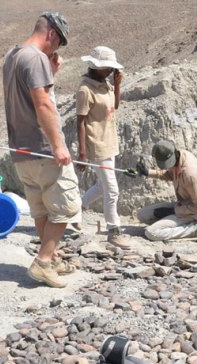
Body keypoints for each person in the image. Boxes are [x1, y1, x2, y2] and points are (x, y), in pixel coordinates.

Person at [3, 11, 80, 288]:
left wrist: (52, 71)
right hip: (43, 148)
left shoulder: (13, 55)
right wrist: (58, 145)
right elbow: (43, 104)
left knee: (41, 208)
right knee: (67, 206)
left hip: (21, 150)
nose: (56, 50)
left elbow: (27, 96)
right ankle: (43, 263)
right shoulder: (35, 59)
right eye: (58, 43)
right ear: (52, 35)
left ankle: (53, 256)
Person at [75, 46, 130, 249]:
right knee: (112, 190)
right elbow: (80, 121)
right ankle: (113, 231)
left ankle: (78, 207)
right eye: (107, 68)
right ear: (95, 67)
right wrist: (82, 152)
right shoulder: (85, 90)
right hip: (96, 144)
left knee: (102, 185)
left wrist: (117, 85)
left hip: (109, 142)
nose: (109, 71)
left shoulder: (105, 84)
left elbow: (114, 106)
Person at [135, 140, 197, 244]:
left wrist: (172, 212)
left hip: (195, 212)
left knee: (151, 233)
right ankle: (180, 225)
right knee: (142, 215)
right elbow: (168, 174)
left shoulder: (191, 174)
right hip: (182, 205)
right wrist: (147, 172)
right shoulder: (178, 158)